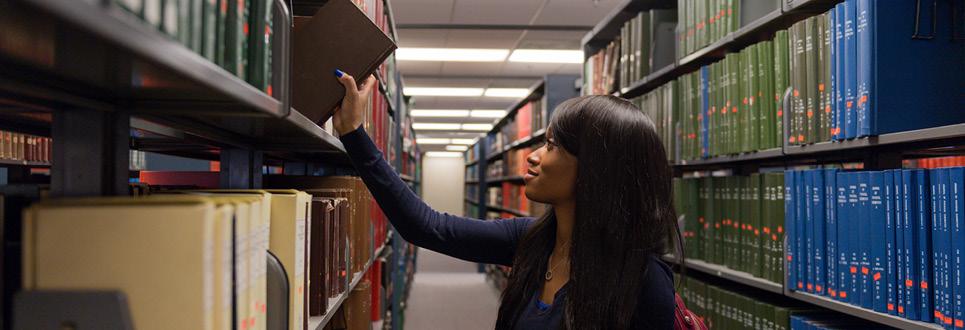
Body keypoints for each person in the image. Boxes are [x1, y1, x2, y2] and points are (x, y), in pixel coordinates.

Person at [331, 70, 679, 329]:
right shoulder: (531, 240)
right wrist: (354, 136)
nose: (533, 156)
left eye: (552, 146)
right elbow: (426, 227)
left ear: (596, 170)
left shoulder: (642, 281)